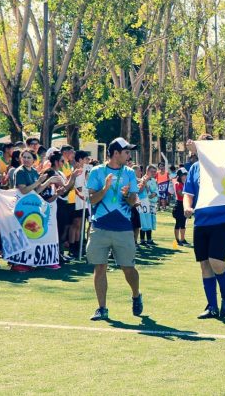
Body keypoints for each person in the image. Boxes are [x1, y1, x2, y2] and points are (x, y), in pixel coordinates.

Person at [86, 138, 143, 321]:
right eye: (126, 152)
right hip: (100, 226)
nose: (129, 156)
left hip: (123, 228)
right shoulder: (97, 171)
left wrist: (128, 195)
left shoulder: (129, 173)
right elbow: (92, 200)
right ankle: (102, 308)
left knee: (128, 268)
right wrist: (105, 188)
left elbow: (134, 201)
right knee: (100, 267)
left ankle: (136, 295)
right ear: (116, 153)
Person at [183, 134, 225, 320]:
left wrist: (199, 151)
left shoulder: (223, 167)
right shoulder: (194, 169)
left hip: (223, 219)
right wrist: (187, 207)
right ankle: (212, 306)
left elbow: (217, 177)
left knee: (216, 261)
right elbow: (188, 193)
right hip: (201, 221)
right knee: (204, 264)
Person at [11, 150, 55, 272]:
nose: (26, 159)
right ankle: (16, 262)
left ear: (33, 159)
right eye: (24, 157)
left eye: (28, 157)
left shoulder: (34, 171)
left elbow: (36, 190)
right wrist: (38, 182)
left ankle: (26, 261)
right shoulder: (20, 171)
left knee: (29, 234)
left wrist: (48, 182)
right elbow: (23, 190)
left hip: (31, 207)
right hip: (21, 206)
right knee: (21, 235)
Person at [70, 150, 91, 259]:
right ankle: (72, 247)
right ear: (80, 159)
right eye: (86, 159)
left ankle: (79, 246)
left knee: (81, 224)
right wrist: (80, 194)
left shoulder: (86, 170)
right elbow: (75, 186)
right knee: (76, 224)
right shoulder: (76, 171)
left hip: (85, 202)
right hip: (77, 201)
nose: (88, 161)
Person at [139, 165, 158, 245]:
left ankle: (149, 239)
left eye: (155, 171)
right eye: (152, 171)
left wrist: (155, 193)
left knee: (150, 220)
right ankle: (142, 239)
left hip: (152, 203)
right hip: (144, 202)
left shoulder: (154, 180)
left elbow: (156, 190)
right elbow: (141, 190)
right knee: (144, 220)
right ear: (147, 171)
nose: (154, 173)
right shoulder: (142, 179)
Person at [171, 169, 190, 246]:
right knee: (178, 223)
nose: (185, 177)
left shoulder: (186, 184)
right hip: (179, 204)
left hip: (184, 204)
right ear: (179, 176)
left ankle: (182, 239)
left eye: (185, 175)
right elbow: (180, 193)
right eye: (183, 175)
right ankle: (177, 239)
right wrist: (188, 195)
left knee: (183, 223)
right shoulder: (177, 183)